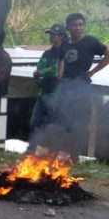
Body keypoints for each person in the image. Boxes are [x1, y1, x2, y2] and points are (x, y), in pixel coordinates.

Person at [53, 12, 109, 158]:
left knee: (77, 123)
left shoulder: (90, 41)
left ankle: (73, 157)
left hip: (82, 86)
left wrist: (92, 72)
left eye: (80, 25)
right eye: (74, 25)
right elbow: (60, 59)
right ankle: (60, 154)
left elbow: (107, 53)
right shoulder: (65, 43)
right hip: (66, 87)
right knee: (62, 120)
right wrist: (59, 73)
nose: (78, 28)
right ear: (68, 27)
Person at [27, 23, 66, 153]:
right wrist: (39, 75)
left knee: (52, 124)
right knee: (35, 122)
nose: (51, 37)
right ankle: (33, 149)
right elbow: (39, 68)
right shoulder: (47, 53)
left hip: (57, 94)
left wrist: (42, 72)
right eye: (50, 34)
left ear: (61, 36)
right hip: (43, 92)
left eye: (54, 34)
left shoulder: (65, 53)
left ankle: (49, 152)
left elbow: (56, 70)